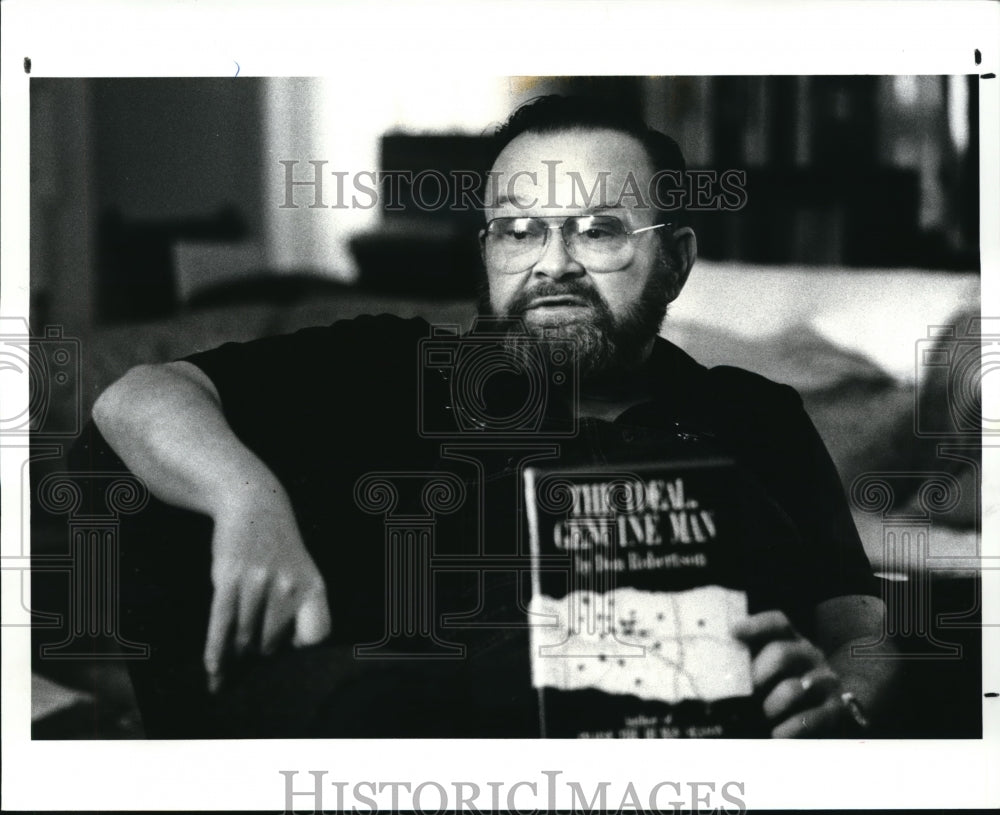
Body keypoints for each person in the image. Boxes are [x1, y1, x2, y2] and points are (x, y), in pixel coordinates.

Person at [91, 95, 895, 738]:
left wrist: (843, 702)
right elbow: (136, 397)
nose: (551, 263)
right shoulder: (393, 366)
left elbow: (856, 621)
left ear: (676, 259)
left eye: (599, 230)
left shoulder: (755, 414)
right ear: (486, 251)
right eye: (518, 231)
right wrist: (245, 499)